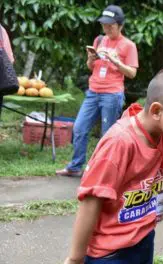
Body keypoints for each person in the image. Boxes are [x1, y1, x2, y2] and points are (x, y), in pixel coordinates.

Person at [63, 68, 163, 264]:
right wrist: (75, 258)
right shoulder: (119, 143)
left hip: (143, 238)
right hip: (111, 253)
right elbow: (91, 201)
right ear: (157, 111)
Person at [57, 5, 138, 177]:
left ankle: (104, 172)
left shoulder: (128, 45)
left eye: (111, 25)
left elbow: (132, 73)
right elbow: (90, 67)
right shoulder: (99, 40)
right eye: (104, 25)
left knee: (107, 135)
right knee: (79, 128)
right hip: (93, 92)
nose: (107, 28)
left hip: (112, 94)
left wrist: (116, 62)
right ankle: (75, 166)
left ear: (120, 25)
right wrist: (91, 58)